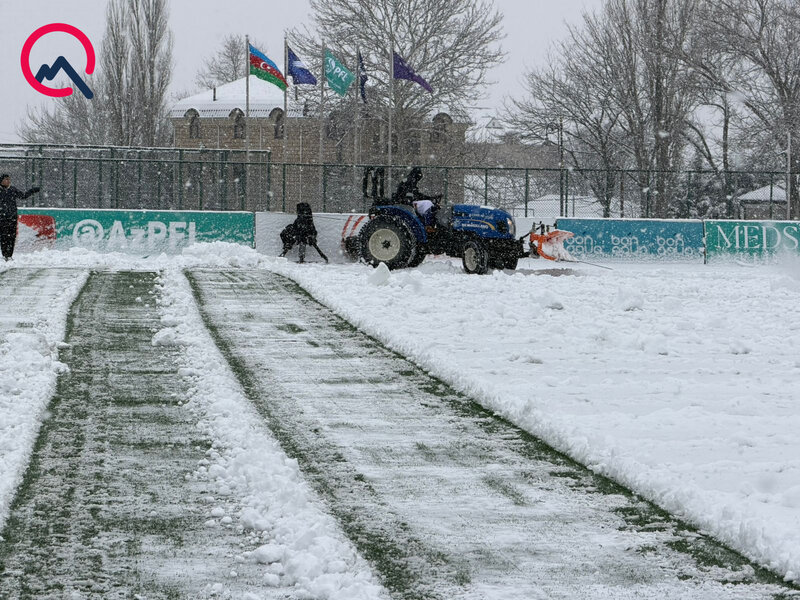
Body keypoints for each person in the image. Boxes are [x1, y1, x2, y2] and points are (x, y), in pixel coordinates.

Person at [0, 174, 41, 261]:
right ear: (1, 181)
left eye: (9, 179)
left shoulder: (12, 189)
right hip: (2, 218)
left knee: (12, 237)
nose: (8, 181)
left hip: (12, 217)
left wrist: (32, 190)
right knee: (4, 237)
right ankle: (4, 255)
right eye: (6, 179)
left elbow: (23, 196)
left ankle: (9, 255)